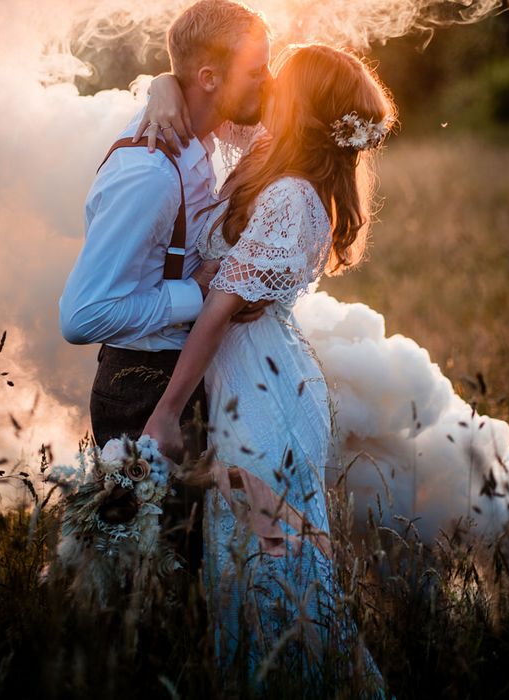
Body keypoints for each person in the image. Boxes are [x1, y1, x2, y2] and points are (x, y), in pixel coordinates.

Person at [141, 44, 396, 695]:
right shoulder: (278, 162)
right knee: (254, 565)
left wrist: (167, 411)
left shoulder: (289, 196)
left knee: (275, 571)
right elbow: (205, 104)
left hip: (264, 398)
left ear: (301, 104)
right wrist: (161, 89)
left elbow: (220, 310)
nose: (269, 83)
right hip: (261, 380)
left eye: (283, 79)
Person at [58, 0, 272, 568]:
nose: (268, 84)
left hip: (174, 377)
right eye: (257, 72)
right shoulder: (148, 174)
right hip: (140, 387)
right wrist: (194, 293)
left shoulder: (200, 126)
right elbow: (82, 316)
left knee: (183, 565)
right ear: (209, 78)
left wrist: (162, 82)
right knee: (145, 571)